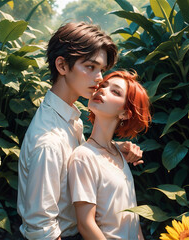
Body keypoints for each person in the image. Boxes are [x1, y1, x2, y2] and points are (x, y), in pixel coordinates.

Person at [17, 22, 143, 240]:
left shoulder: (69, 119)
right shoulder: (49, 140)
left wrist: (113, 150)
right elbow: (41, 229)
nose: (99, 79)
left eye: (101, 70)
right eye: (90, 67)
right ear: (62, 66)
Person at [68, 70, 151, 240]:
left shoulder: (118, 154)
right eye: (103, 85)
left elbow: (132, 220)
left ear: (125, 113)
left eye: (115, 91)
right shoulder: (84, 156)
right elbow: (85, 224)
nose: (102, 90)